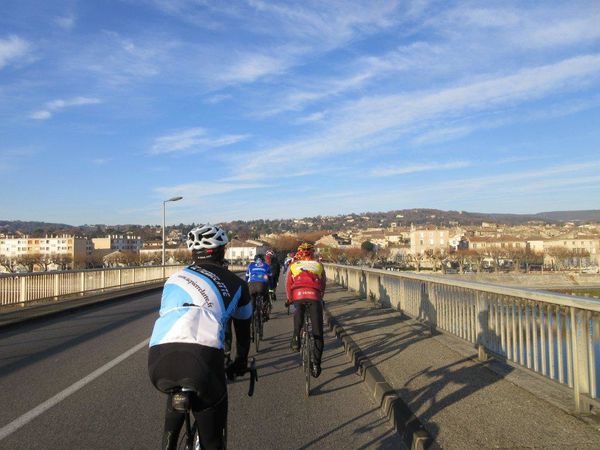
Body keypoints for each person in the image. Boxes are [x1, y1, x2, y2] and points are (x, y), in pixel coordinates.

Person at [148, 224, 252, 450]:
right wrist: (241, 362)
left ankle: (167, 443)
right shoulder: (238, 285)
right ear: (222, 251)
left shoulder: (173, 279)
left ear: (192, 253)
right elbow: (244, 333)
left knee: (177, 384)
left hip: (158, 359)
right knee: (213, 439)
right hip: (202, 360)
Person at [285, 242, 326, 378]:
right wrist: (320, 297)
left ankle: (296, 336)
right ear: (312, 253)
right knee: (318, 333)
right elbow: (322, 284)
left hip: (298, 294)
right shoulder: (319, 265)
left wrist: (290, 299)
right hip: (314, 296)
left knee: (299, 310)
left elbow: (288, 284)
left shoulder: (294, 265)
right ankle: (316, 365)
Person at [246, 253, 273, 321]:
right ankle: (264, 313)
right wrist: (271, 288)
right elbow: (270, 278)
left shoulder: (250, 265)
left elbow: (246, 277)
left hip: (252, 285)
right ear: (263, 260)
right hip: (262, 285)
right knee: (265, 297)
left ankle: (251, 317)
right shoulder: (266, 266)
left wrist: (247, 285)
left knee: (252, 300)